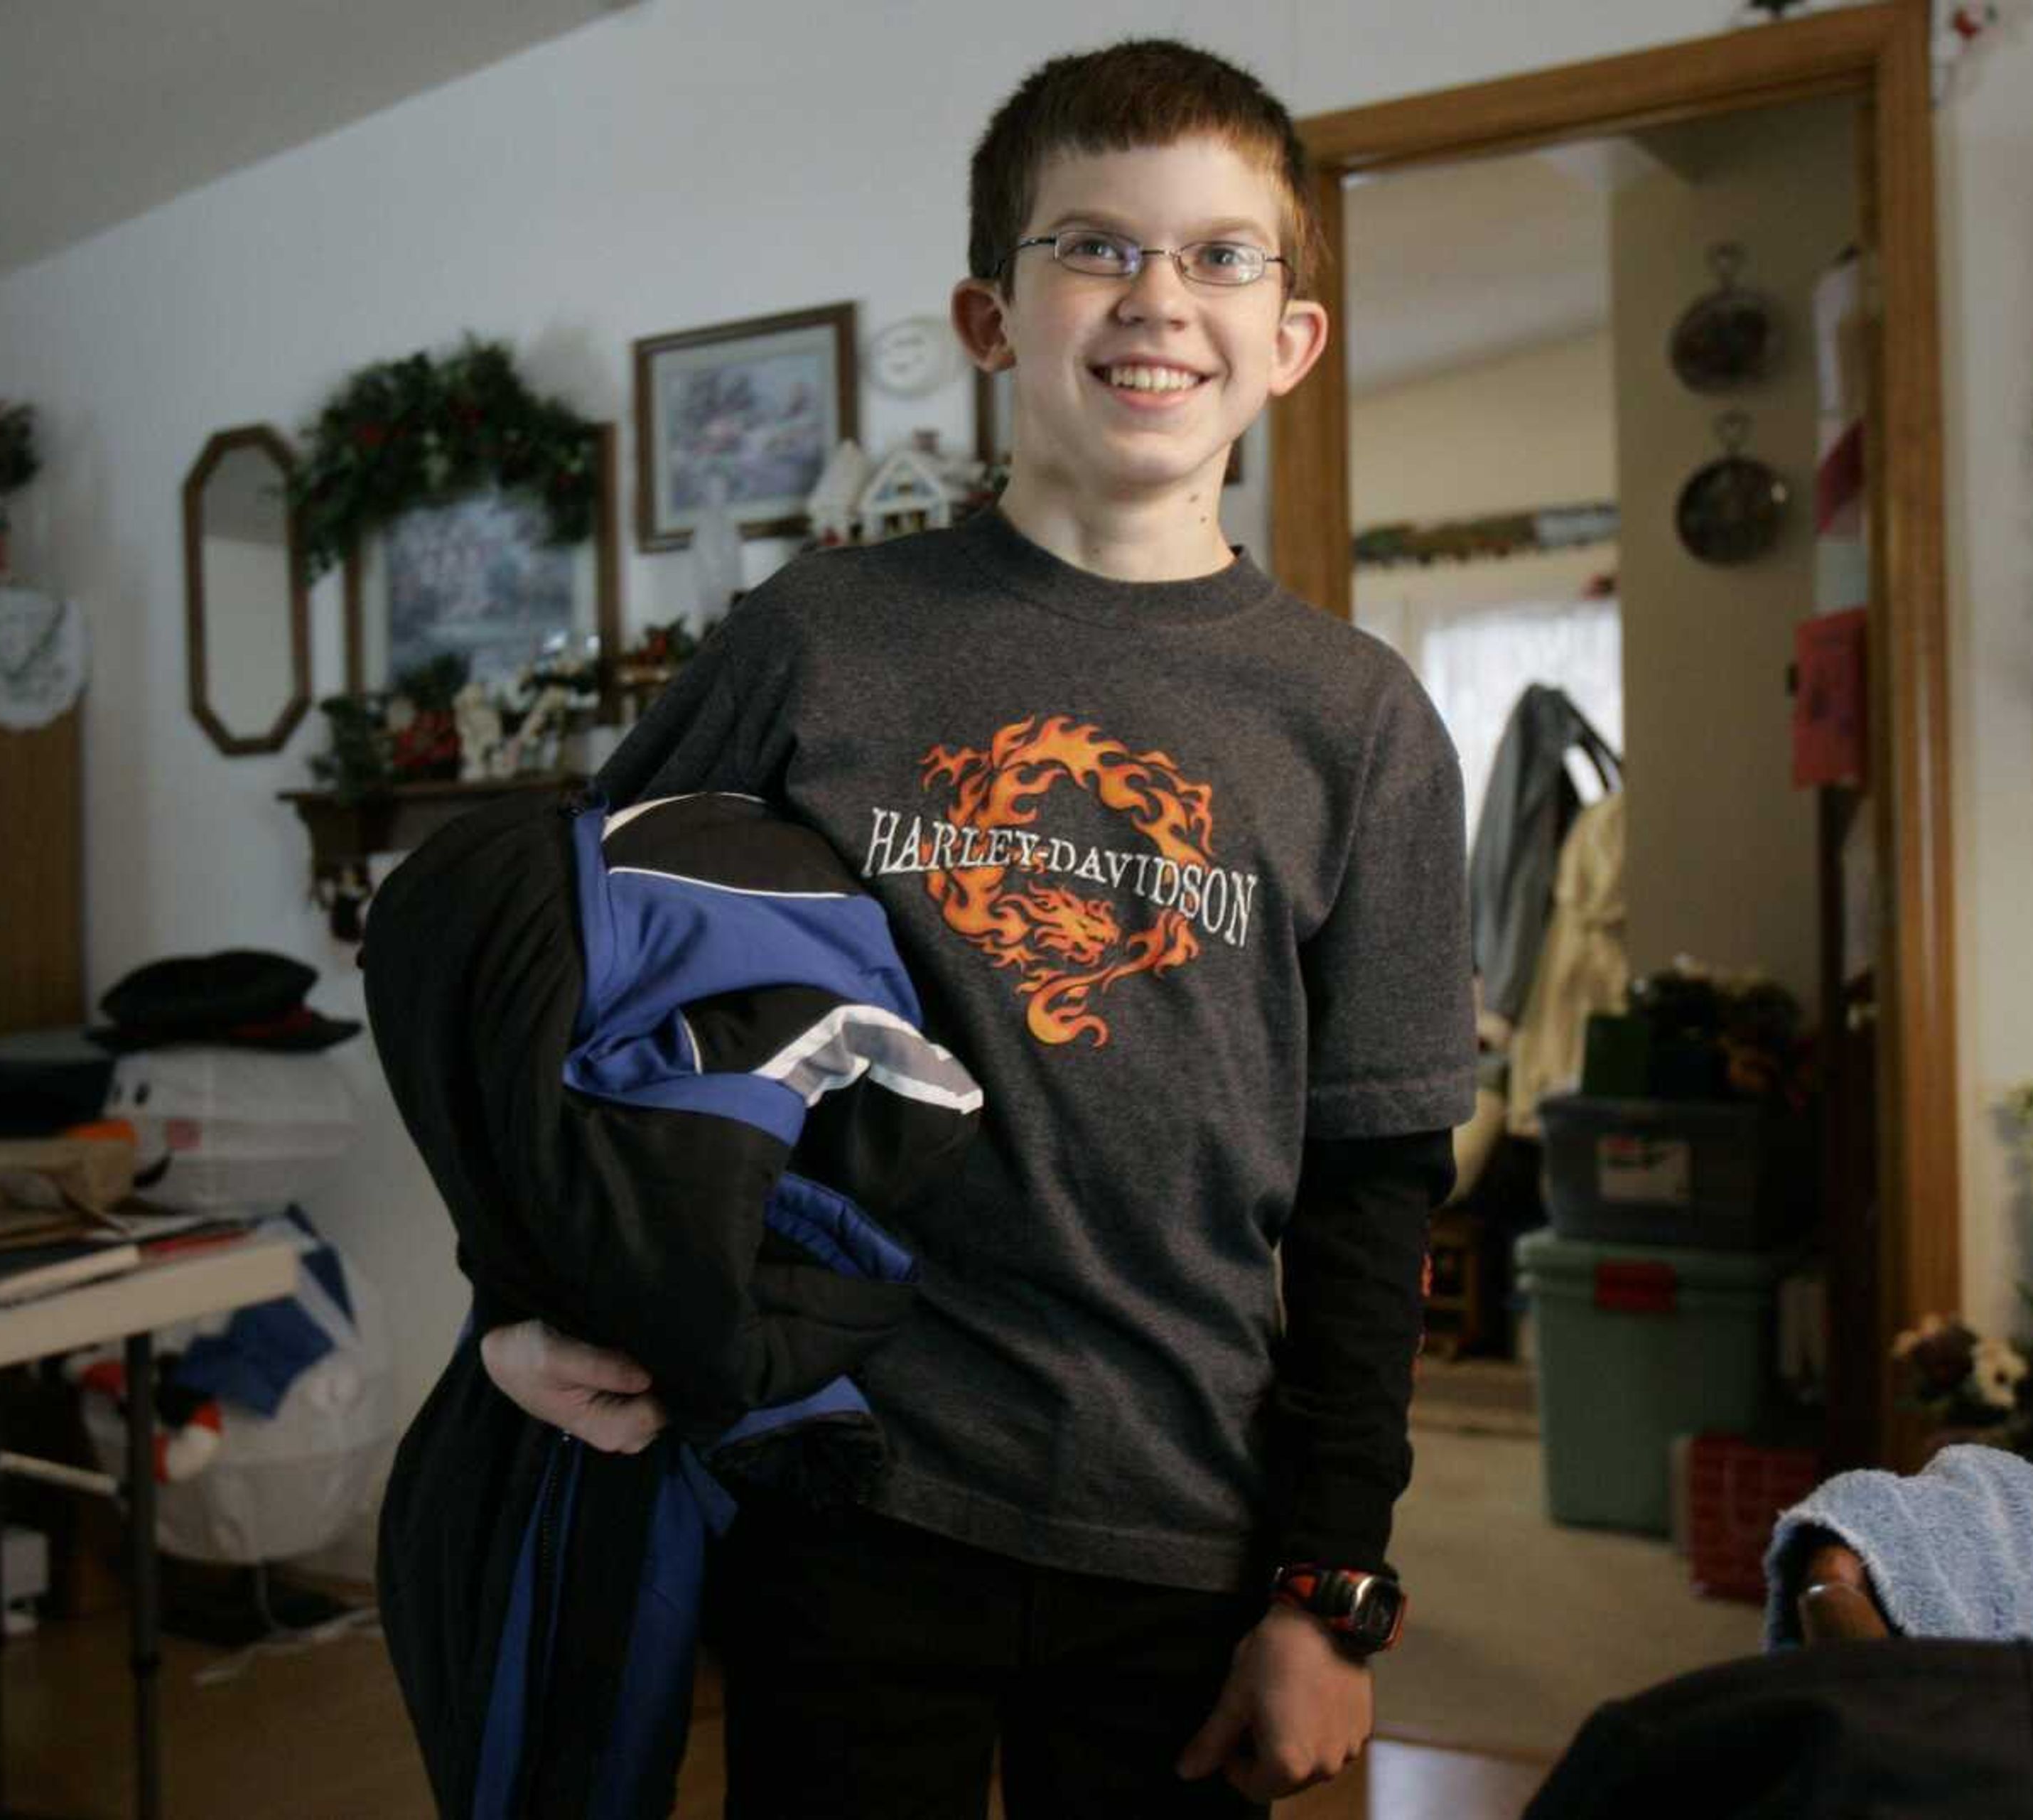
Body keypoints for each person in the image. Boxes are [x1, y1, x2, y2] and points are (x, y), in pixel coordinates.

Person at [482, 36, 1473, 1816]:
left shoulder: (1362, 721)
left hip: (1185, 1517)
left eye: (1220, 254)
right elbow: (579, 981)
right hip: (848, 1480)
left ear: (1293, 342)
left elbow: (1373, 1183)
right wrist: (510, 1299)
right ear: (991, 316)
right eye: (1094, 244)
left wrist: (1333, 1588)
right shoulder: (822, 637)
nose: (1155, 297)